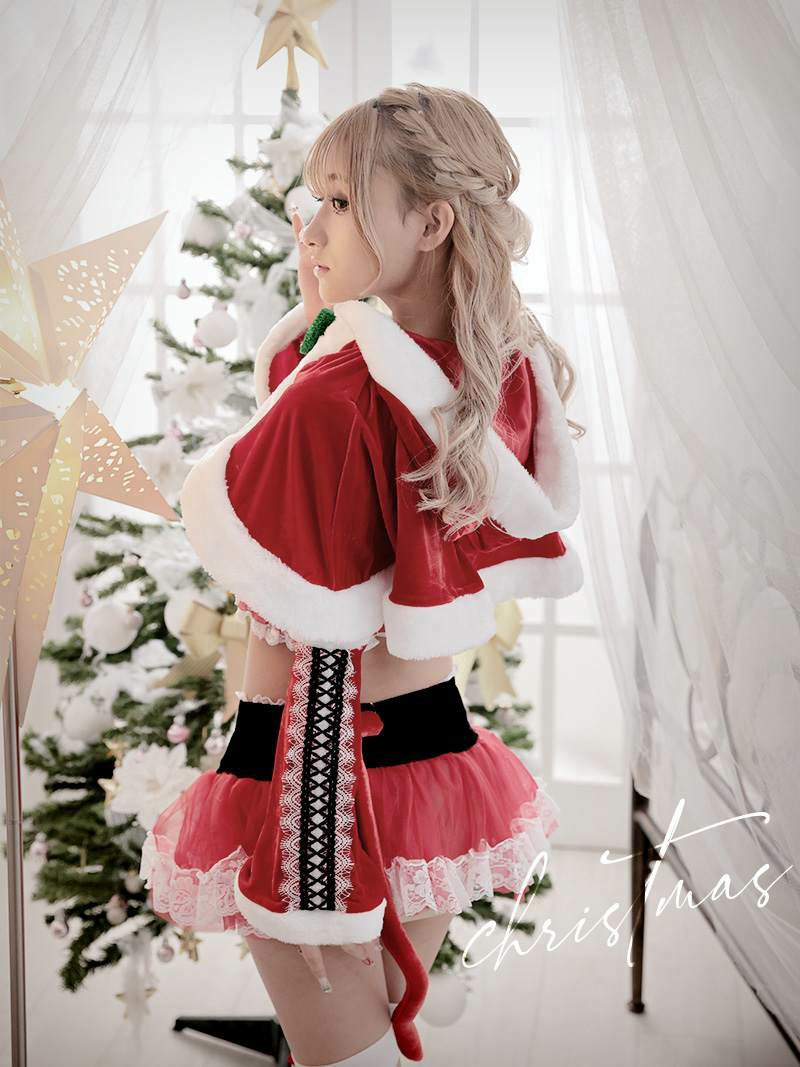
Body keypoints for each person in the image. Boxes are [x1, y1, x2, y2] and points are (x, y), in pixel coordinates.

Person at [139, 82, 584, 1067]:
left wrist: (321, 350)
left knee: (344, 1057)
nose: (313, 222)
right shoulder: (497, 371)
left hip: (312, 770)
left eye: (341, 200)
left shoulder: (341, 384)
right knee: (364, 1035)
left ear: (430, 221)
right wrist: (323, 327)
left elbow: (256, 517)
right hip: (430, 753)